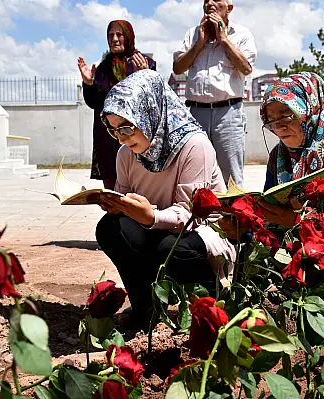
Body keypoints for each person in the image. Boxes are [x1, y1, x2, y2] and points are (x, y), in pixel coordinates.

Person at [95, 70, 234, 327]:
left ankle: (215, 304)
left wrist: (152, 216)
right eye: (114, 131)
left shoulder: (194, 145)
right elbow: (125, 198)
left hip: (198, 232)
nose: (122, 138)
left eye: (126, 127)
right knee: (109, 229)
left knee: (173, 249)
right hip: (157, 227)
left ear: (150, 114)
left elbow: (193, 215)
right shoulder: (126, 154)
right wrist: (116, 205)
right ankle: (145, 307)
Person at [222, 72, 324, 233]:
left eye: (286, 116)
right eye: (270, 120)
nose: (278, 127)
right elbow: (270, 215)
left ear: (310, 111)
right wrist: (241, 231)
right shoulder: (279, 156)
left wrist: (299, 221)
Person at [172, 0, 256, 187]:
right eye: (206, 0)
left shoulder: (241, 34)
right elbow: (178, 68)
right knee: (196, 172)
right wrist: (199, 44)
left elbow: (246, 68)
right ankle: (203, 216)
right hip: (196, 113)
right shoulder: (193, 34)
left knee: (231, 177)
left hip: (228, 114)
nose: (210, 3)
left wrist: (224, 40)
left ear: (229, 8)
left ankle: (233, 216)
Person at [77, 20, 156, 190]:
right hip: (108, 137)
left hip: (135, 134)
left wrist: (145, 75)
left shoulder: (144, 63)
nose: (115, 39)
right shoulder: (102, 68)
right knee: (113, 190)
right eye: (111, 35)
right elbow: (93, 103)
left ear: (128, 36)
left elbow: (153, 100)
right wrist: (89, 83)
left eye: (119, 34)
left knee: (139, 185)